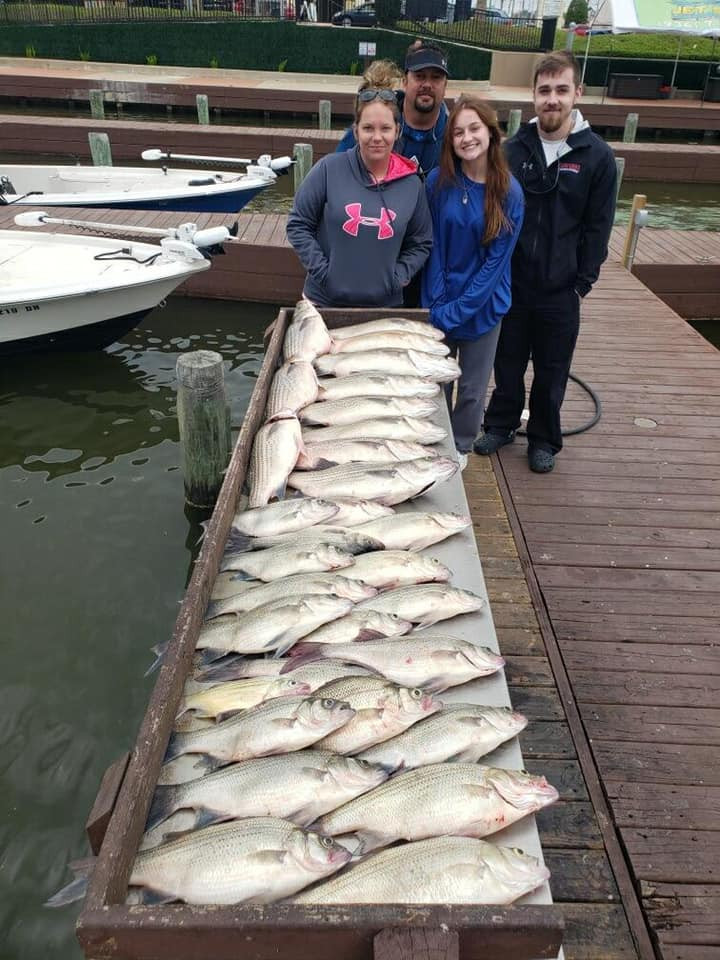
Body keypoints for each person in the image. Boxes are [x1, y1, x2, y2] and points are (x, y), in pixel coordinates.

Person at [473, 50, 617, 474]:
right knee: (508, 363)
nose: (552, 99)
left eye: (561, 90)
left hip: (561, 288)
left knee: (552, 370)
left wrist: (582, 283)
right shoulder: (512, 150)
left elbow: (599, 227)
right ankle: (500, 424)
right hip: (513, 283)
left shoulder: (597, 157)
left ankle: (543, 439)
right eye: (544, 90)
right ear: (533, 95)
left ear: (577, 93)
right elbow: (493, 213)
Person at [422, 96, 524, 470]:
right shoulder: (437, 182)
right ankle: (434, 442)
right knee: (436, 382)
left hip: (484, 306)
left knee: (471, 389)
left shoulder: (510, 192)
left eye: (474, 128)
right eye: (458, 132)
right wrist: (437, 303)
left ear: (491, 132)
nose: (467, 138)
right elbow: (432, 245)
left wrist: (460, 308)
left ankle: (461, 446)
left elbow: (496, 263)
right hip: (440, 301)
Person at [286, 86, 432, 308]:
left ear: (397, 131)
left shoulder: (412, 184)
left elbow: (421, 242)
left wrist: (398, 277)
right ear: (356, 131)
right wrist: (324, 273)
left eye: (385, 128)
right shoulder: (328, 169)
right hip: (323, 303)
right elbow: (298, 224)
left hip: (384, 307)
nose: (377, 137)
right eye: (368, 128)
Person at [336, 41, 450, 178]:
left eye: (436, 78)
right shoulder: (375, 124)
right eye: (419, 76)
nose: (427, 85)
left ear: (445, 86)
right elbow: (336, 174)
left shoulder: (454, 135)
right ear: (405, 82)